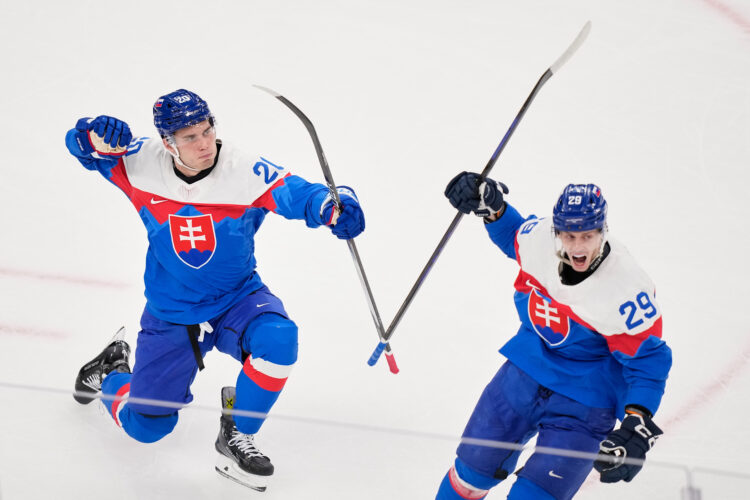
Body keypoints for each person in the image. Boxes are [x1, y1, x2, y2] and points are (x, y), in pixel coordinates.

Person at [65, 89, 365, 491]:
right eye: (190, 137)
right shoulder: (138, 161)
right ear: (168, 143)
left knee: (279, 338)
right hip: (172, 312)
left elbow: (300, 193)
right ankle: (109, 374)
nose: (205, 143)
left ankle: (237, 432)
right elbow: (81, 146)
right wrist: (91, 134)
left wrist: (335, 204)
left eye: (207, 130)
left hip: (236, 299)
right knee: (146, 428)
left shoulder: (244, 170)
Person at [436, 172, 672, 500]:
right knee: (469, 476)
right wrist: (492, 207)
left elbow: (647, 362)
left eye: (587, 235)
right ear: (556, 231)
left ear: (603, 230)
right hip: (522, 376)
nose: (578, 247)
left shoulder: (626, 288)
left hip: (585, 401)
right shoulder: (540, 241)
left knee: (534, 497)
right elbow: (514, 235)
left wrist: (637, 419)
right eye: (569, 236)